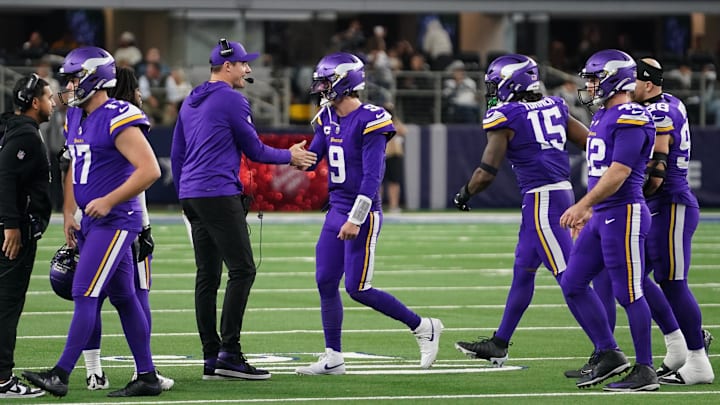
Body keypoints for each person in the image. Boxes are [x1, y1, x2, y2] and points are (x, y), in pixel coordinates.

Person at [170, 38, 317, 381]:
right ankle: (229, 353)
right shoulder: (233, 100)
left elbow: (177, 153)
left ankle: (211, 356)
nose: (248, 69)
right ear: (227, 66)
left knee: (207, 276)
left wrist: (185, 191)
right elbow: (254, 149)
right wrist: (290, 156)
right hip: (217, 193)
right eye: (243, 63)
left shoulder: (191, 98)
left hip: (192, 194)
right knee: (243, 270)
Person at [22, 46, 162, 398]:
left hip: (116, 220)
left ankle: (61, 373)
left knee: (84, 291)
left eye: (73, 78)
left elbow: (150, 170)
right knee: (125, 298)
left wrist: (109, 199)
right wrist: (70, 212)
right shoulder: (78, 116)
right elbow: (73, 169)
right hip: (92, 220)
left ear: (95, 77)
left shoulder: (118, 114)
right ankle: (147, 375)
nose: (68, 85)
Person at [295, 52, 442, 376]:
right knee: (325, 280)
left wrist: (355, 218)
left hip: (361, 212)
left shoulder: (371, 119)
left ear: (345, 83)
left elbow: (372, 178)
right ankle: (333, 356)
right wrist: (282, 157)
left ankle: (423, 326)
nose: (321, 88)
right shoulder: (327, 116)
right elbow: (312, 157)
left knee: (358, 288)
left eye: (326, 82)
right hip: (336, 209)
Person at [452, 54, 589, 366]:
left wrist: (464, 194)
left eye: (495, 84)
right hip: (550, 197)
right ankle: (500, 342)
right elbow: (590, 141)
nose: (492, 91)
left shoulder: (507, 115)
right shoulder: (555, 105)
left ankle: (608, 349)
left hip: (543, 200)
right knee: (523, 271)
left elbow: (486, 173)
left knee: (571, 280)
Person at [68, 67, 173, 392]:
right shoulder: (109, 118)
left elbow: (72, 165)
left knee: (111, 297)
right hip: (124, 222)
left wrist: (69, 211)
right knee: (126, 297)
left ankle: (106, 372)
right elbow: (139, 174)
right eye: (138, 90)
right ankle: (141, 371)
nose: (142, 96)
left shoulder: (95, 117)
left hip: (103, 220)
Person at [558, 49, 657, 392]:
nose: (589, 85)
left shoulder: (632, 115)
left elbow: (619, 173)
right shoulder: (602, 117)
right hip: (602, 215)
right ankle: (609, 352)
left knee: (629, 292)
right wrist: (590, 211)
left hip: (624, 212)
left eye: (594, 78)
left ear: (616, 78)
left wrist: (583, 206)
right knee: (572, 282)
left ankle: (645, 370)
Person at [632, 58, 713, 385]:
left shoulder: (658, 113)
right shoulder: (670, 103)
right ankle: (678, 344)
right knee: (634, 275)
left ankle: (697, 361)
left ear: (648, 84)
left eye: (633, 82)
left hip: (672, 204)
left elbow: (656, 172)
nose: (627, 89)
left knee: (672, 280)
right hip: (660, 206)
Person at [0, 73, 54, 399]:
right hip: (13, 234)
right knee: (7, 305)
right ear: (35, 103)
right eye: (48, 98)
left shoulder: (14, 127)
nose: (52, 103)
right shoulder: (26, 138)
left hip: (13, 227)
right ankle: (3, 378)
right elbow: (5, 176)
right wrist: (11, 225)